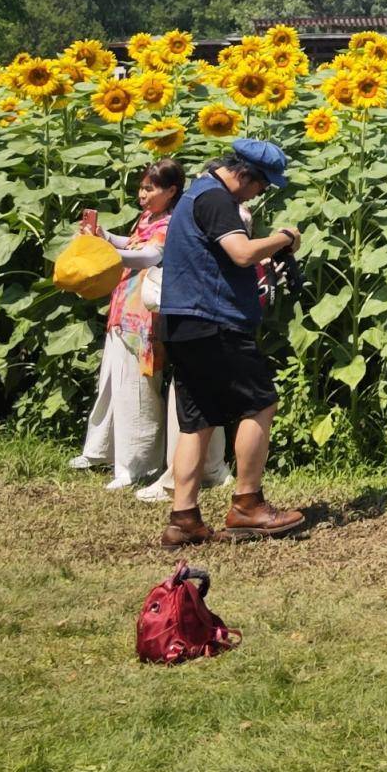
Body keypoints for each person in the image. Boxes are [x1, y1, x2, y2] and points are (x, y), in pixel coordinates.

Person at [157, 134, 307, 546]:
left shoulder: (194, 196)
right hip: (213, 322)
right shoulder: (217, 199)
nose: (259, 192)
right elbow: (242, 253)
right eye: (261, 184)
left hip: (182, 322)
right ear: (244, 174)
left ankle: (183, 518)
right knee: (260, 402)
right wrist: (282, 238)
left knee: (198, 419)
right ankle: (248, 505)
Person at [73, 160, 188, 491]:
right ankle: (101, 449)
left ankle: (135, 464)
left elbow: (151, 256)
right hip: (124, 307)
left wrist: (108, 256)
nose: (142, 195)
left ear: (171, 191)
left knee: (135, 389)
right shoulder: (149, 217)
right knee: (112, 379)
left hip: (144, 316)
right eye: (141, 187)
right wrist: (104, 237)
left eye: (150, 189)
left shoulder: (171, 222)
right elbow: (133, 244)